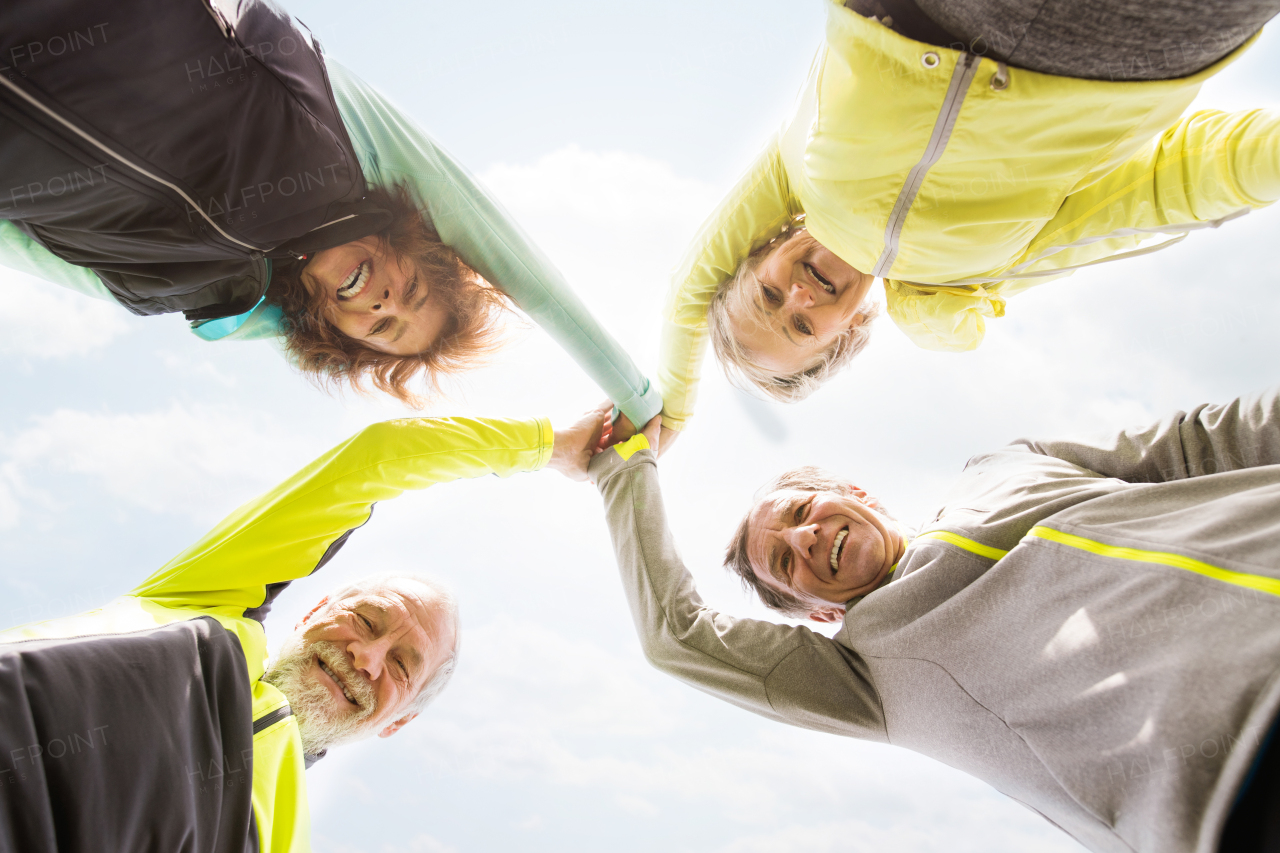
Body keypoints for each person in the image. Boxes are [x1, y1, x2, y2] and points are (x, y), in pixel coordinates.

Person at [588, 392, 1280, 852]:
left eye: (803, 511)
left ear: (853, 493)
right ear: (821, 612)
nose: (804, 538)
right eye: (784, 561)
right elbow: (676, 634)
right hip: (1238, 784)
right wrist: (624, 469)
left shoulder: (1008, 466)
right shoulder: (865, 675)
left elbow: (1203, 441)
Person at [653, 0, 1280, 446]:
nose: (797, 295)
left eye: (766, 292)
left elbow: (688, 291)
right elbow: (1162, 187)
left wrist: (670, 406)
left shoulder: (792, 167)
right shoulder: (968, 278)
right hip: (1127, 43)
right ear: (843, 335)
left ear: (759, 250)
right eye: (799, 325)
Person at [0, 0, 660, 423]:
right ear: (415, 244)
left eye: (383, 327)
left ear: (337, 333)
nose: (385, 302)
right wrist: (636, 395)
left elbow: (17, 245)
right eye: (411, 289)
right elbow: (509, 255)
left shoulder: (173, 294)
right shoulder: (334, 134)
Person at [0, 402, 611, 853]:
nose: (367, 658)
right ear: (316, 612)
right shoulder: (211, 603)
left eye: (401, 666)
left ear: (397, 722)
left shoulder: (282, 837)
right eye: (367, 620)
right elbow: (373, 461)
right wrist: (549, 444)